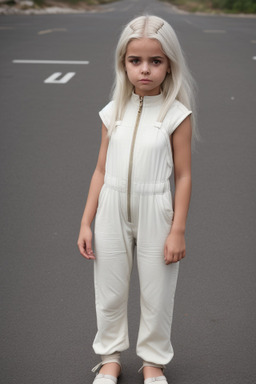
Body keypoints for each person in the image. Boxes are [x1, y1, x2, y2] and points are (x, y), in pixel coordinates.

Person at [77, 15, 199, 384]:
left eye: (155, 61)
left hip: (156, 210)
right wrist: (86, 220)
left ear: (169, 65)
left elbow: (183, 175)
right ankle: (109, 359)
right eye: (135, 61)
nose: (145, 70)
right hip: (111, 209)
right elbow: (100, 170)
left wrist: (177, 229)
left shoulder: (176, 114)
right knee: (110, 291)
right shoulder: (111, 111)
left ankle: (153, 363)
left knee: (157, 293)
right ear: (123, 63)